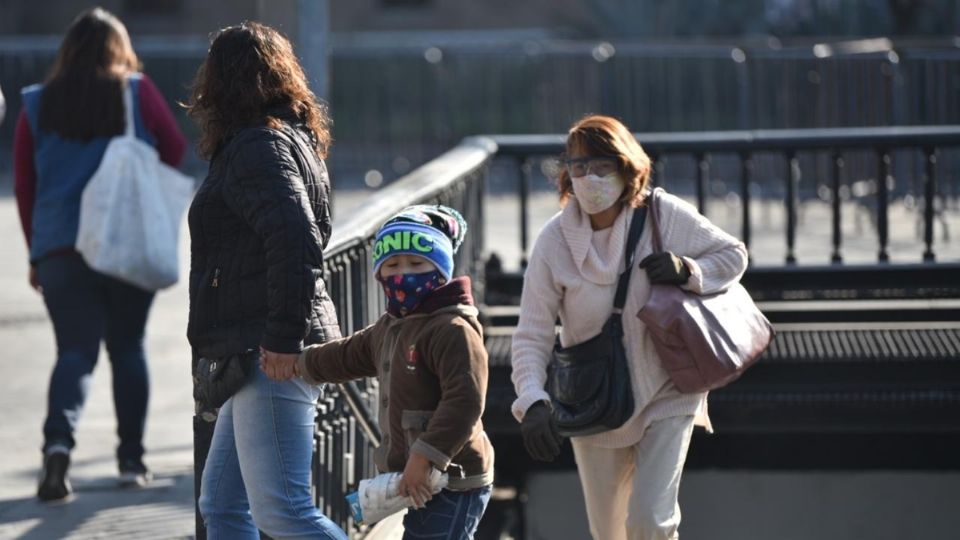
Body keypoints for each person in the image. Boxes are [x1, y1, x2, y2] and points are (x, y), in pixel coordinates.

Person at [510, 115, 748, 540]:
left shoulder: (662, 215)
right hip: (593, 400)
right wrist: (532, 399)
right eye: (579, 166)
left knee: (650, 522)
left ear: (627, 168)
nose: (590, 177)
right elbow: (533, 331)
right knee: (610, 533)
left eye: (602, 166)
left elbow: (732, 255)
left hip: (669, 387)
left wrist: (687, 268)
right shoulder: (554, 241)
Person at [12, 7, 187, 502]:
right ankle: (131, 460)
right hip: (125, 239)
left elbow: (26, 184)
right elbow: (175, 147)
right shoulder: (135, 91)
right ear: (120, 49)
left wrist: (36, 252)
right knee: (128, 346)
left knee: (74, 352)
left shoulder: (36, 104)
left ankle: (57, 447)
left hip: (60, 248)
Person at [185, 21, 347, 539]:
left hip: (270, 350)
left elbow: (296, 240)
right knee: (223, 506)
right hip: (254, 347)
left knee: (284, 512)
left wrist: (281, 340)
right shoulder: (284, 140)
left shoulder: (259, 146)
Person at [291, 205, 495, 539]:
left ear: (441, 270)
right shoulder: (392, 325)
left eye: (417, 264)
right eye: (392, 265)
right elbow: (348, 355)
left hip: (453, 478)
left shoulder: (452, 328)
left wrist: (425, 455)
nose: (403, 274)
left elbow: (466, 401)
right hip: (420, 478)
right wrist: (299, 363)